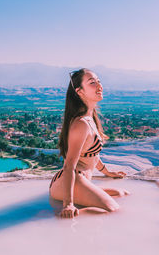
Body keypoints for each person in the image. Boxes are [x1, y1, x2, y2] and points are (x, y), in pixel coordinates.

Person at [49, 68, 130, 219]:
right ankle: (56, 216)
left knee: (122, 193)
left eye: (99, 81)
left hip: (82, 179)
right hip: (73, 179)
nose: (99, 86)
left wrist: (108, 172)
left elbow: (91, 154)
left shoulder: (90, 118)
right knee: (113, 209)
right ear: (80, 92)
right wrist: (68, 203)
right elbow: (69, 165)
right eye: (92, 83)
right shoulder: (81, 124)